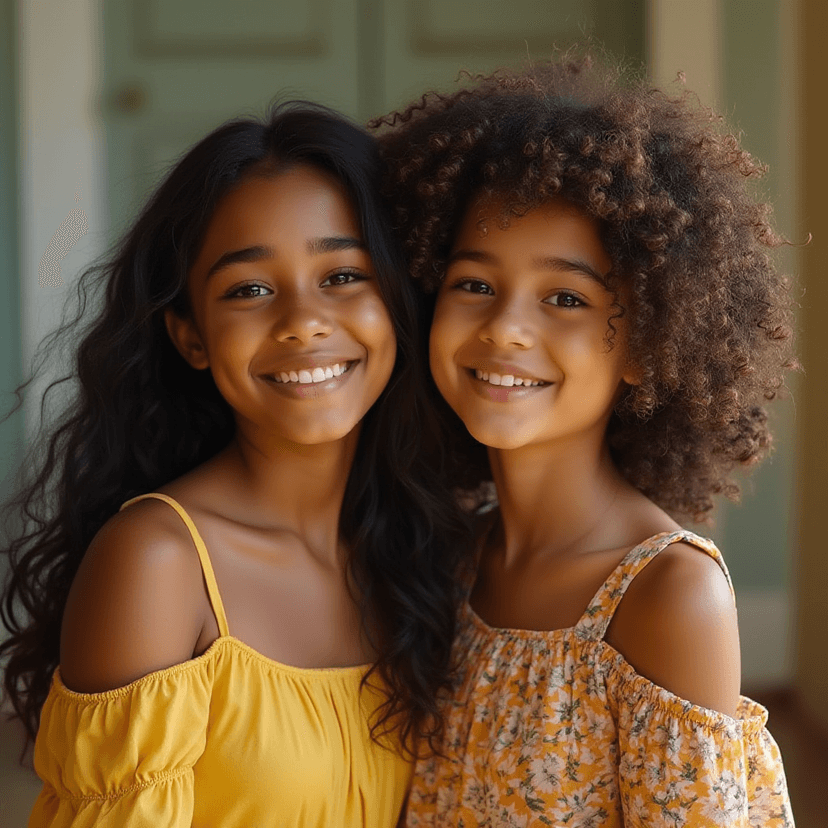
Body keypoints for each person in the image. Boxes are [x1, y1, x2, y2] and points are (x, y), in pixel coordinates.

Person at [0, 101, 470, 827]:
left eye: (343, 275)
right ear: (192, 336)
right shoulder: (158, 564)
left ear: (399, 300)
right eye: (249, 290)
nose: (303, 321)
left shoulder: (433, 550)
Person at [374, 54, 796, 826]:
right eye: (474, 285)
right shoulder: (452, 563)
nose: (506, 328)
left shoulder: (667, 597)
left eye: (565, 298)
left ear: (646, 346)